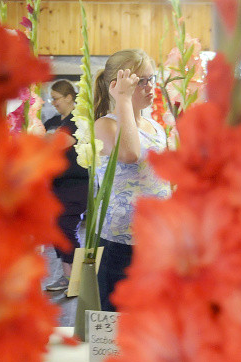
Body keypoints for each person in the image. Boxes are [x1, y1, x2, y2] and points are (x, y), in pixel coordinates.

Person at [93, 49, 171, 311]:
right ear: (118, 86)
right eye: (141, 81)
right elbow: (130, 153)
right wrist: (123, 100)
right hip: (119, 243)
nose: (150, 87)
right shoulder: (105, 125)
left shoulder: (155, 126)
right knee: (117, 320)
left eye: (152, 79)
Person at [43, 80, 90, 292]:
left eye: (56, 98)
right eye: (51, 99)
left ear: (69, 97)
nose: (53, 103)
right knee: (56, 228)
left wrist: (46, 138)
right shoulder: (53, 121)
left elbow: (59, 143)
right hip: (56, 185)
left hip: (76, 185)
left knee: (66, 226)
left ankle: (76, 278)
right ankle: (67, 276)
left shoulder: (77, 121)